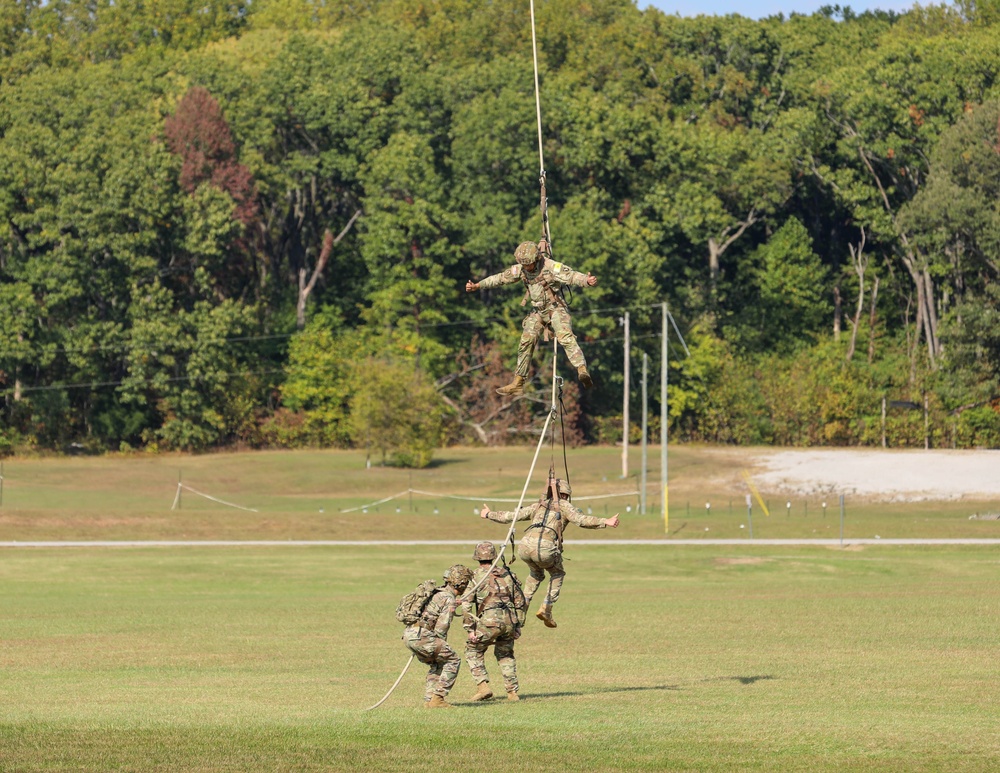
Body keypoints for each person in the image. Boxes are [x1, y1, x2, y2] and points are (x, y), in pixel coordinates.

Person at [465, 239, 598, 396]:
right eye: (523, 264)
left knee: (565, 337)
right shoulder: (521, 269)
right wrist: (478, 285)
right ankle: (518, 381)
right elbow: (500, 278)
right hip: (538, 311)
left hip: (556, 309)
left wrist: (587, 281)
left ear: (536, 259)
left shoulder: (550, 267)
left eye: (528, 264)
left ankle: (582, 370)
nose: (526, 267)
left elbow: (571, 276)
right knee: (526, 340)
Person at [480, 478, 619, 629]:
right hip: (545, 548)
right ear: (565, 494)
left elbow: (511, 517)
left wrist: (488, 514)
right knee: (558, 573)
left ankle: (521, 610)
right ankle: (547, 607)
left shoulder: (538, 505)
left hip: (525, 546)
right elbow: (581, 520)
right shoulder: (564, 506)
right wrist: (606, 521)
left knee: (536, 574)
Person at [401, 563, 474, 708]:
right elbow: (442, 627)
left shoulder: (437, 592)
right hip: (422, 637)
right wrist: (440, 642)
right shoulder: (449, 599)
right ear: (461, 583)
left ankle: (430, 700)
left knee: (438, 663)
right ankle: (439, 697)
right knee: (453, 660)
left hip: (410, 634)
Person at [460, 541, 525, 703]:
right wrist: (518, 625)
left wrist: (470, 628)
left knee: (472, 651)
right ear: (495, 556)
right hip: (509, 621)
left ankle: (483, 687)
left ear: (477, 557)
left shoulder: (474, 577)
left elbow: (466, 604)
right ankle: (512, 692)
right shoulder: (508, 575)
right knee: (505, 655)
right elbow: (520, 601)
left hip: (489, 621)